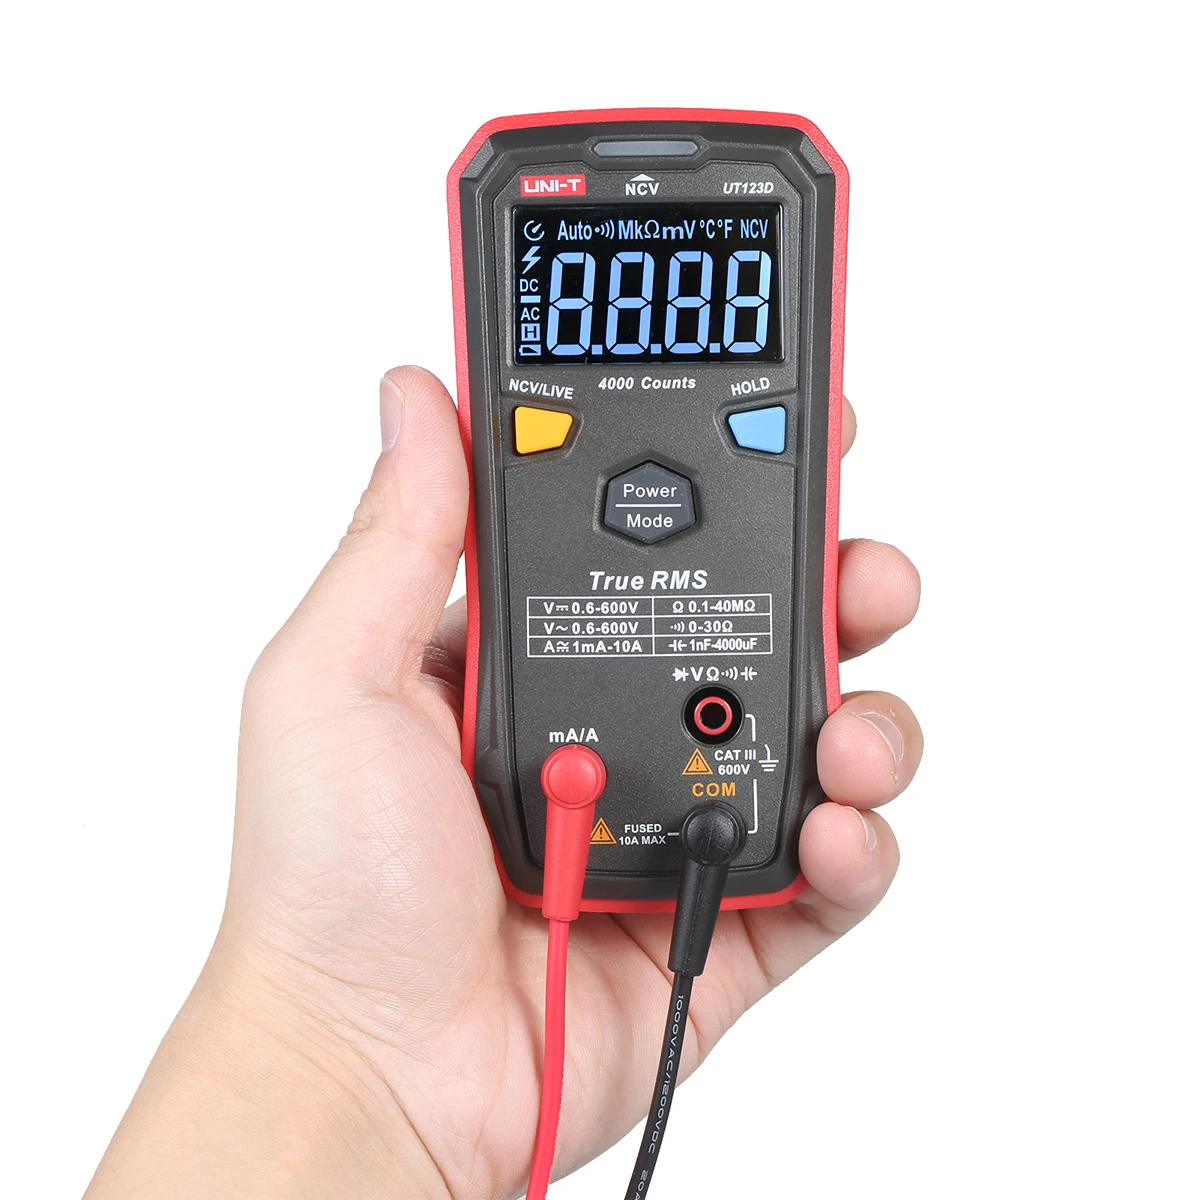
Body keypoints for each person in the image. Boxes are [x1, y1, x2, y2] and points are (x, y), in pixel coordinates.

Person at [86, 366, 922, 1199]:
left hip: (640, 857)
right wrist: (348, 1048)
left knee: (864, 616)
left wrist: (356, 1081)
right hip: (567, 884)